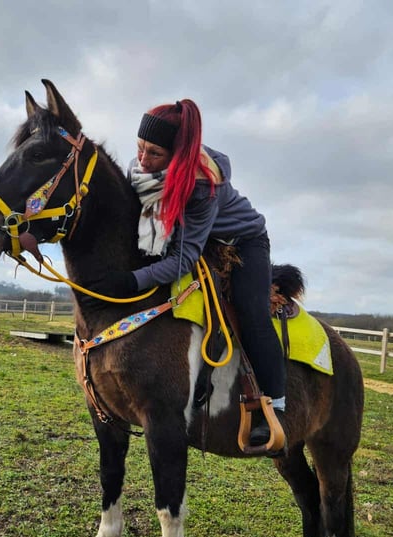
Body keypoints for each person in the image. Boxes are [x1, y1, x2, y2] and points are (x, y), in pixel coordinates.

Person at [91, 99, 285, 446]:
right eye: (139, 147)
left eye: (154, 153)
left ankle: (274, 406)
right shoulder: (141, 171)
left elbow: (182, 260)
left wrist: (131, 281)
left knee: (250, 311)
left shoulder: (201, 186)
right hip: (191, 237)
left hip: (242, 243)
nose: (143, 160)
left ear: (177, 156)